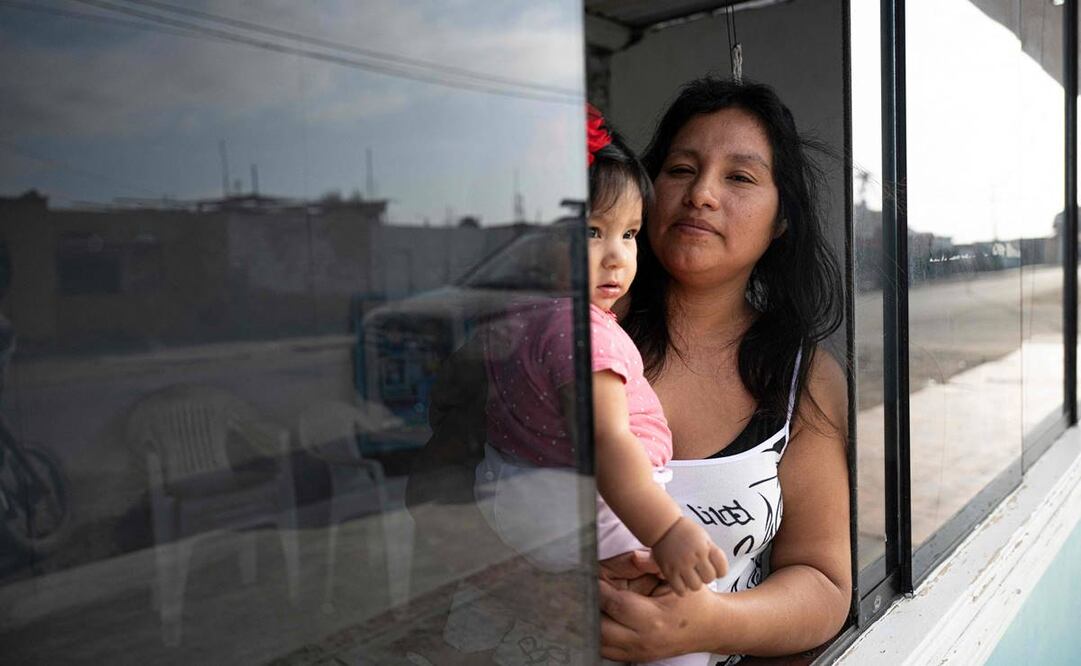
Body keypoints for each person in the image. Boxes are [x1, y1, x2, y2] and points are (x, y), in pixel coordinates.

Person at [598, 78, 850, 664]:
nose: (702, 194)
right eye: (681, 170)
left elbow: (823, 582)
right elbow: (441, 490)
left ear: (781, 218)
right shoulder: (566, 335)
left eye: (740, 177)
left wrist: (707, 625)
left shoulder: (803, 379)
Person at [475, 105, 727, 603]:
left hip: (518, 492)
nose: (617, 256)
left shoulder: (516, 317)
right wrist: (667, 530)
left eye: (629, 234)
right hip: (597, 505)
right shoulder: (587, 335)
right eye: (592, 232)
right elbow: (609, 442)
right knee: (691, 598)